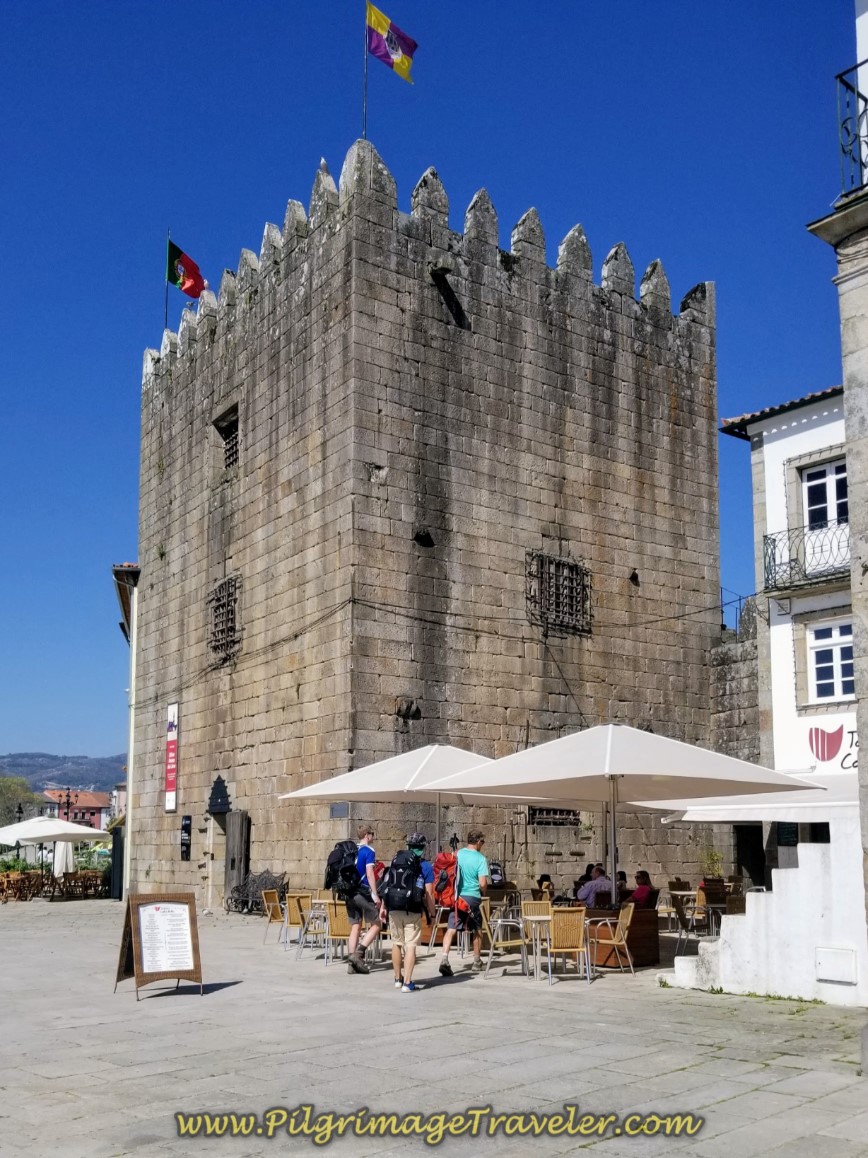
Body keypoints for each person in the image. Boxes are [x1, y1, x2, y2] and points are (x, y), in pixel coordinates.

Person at [385, 833, 435, 993]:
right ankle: (407, 983)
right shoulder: (425, 866)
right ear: (423, 848)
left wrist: (383, 908)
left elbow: (387, 884)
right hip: (412, 910)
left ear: (408, 847)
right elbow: (429, 894)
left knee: (396, 943)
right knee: (411, 945)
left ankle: (397, 979)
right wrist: (432, 915)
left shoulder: (397, 861)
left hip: (393, 907)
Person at [439, 830, 489, 976]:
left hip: (457, 898)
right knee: (477, 928)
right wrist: (484, 891)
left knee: (452, 927)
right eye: (482, 842)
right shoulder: (480, 858)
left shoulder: (458, 854)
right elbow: (482, 883)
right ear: (478, 842)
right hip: (473, 897)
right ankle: (476, 961)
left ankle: (444, 959)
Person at [345, 825, 383, 975]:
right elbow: (370, 874)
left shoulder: (352, 850)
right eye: (372, 834)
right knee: (378, 923)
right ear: (367, 835)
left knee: (356, 925)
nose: (373, 837)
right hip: (362, 893)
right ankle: (358, 953)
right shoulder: (369, 851)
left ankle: (351, 963)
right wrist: (375, 895)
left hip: (349, 892)